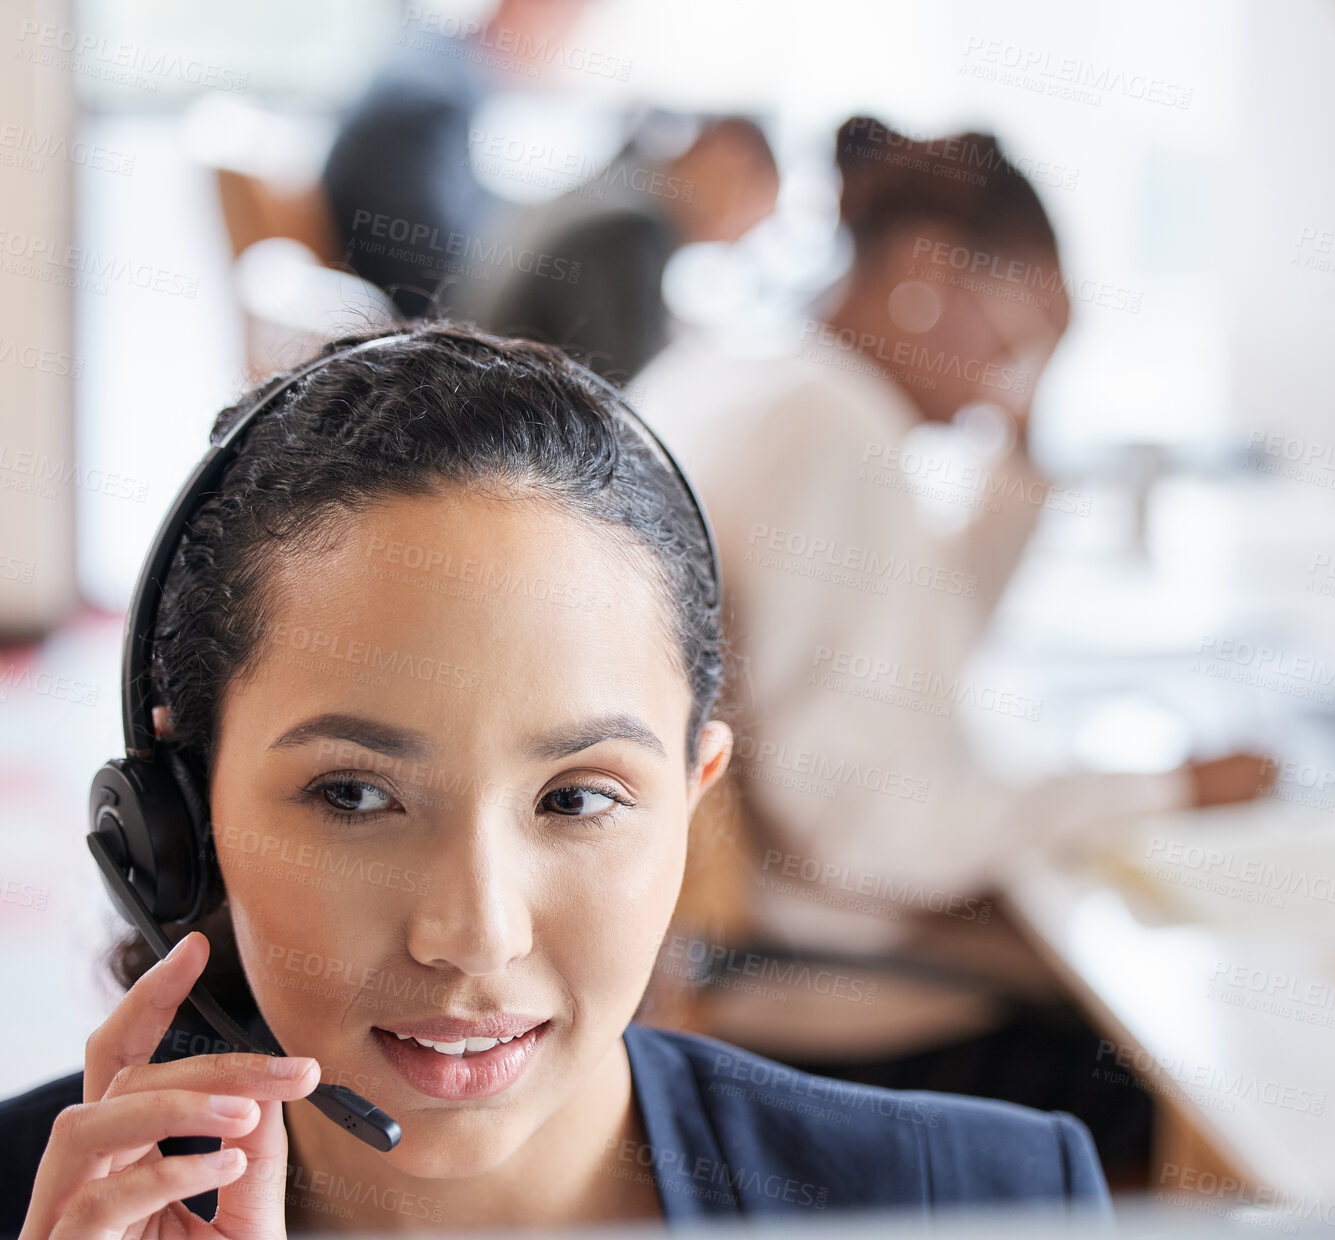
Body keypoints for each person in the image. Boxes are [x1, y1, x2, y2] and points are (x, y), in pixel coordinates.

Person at [0, 325, 1110, 1233]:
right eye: (354, 794)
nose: (476, 934)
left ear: (694, 798)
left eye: (577, 797)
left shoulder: (984, 1204)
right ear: (180, 821)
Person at [631, 116, 1270, 1184]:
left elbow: (908, 647)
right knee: (1182, 1070)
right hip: (810, 988)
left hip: (728, 946)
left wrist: (1023, 444)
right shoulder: (835, 440)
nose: (1001, 391)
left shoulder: (764, 372)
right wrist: (1166, 790)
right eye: (1014, 348)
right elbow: (873, 827)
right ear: (926, 270)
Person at [463, 111, 780, 384]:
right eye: (751, 212)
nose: (736, 237)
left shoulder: (617, 189)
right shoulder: (632, 233)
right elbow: (623, 380)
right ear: (728, 157)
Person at [321, 0, 593, 318]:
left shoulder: (440, 65)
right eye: (574, 23)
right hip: (400, 325)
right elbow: (427, 281)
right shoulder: (431, 98)